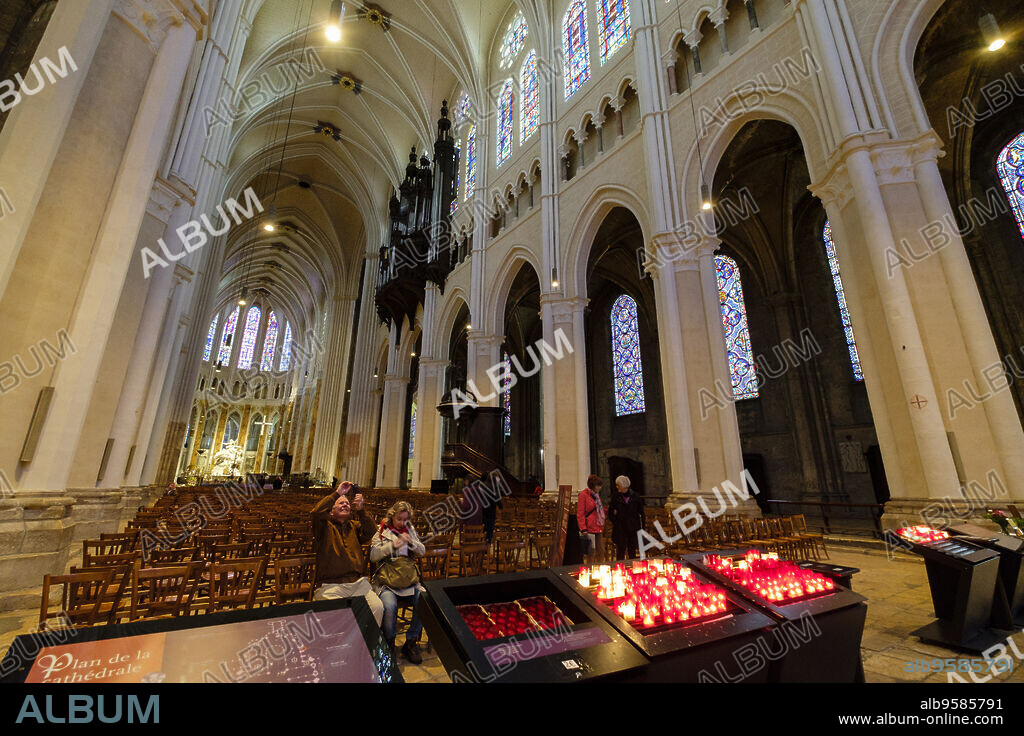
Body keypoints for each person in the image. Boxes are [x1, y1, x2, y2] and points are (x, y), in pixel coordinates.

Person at [309, 482, 384, 625]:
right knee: (338, 616)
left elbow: (371, 532)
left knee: (377, 607)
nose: (345, 505)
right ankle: (342, 646)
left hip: (358, 584)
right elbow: (316, 513)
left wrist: (361, 510)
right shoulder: (324, 527)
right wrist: (337, 493)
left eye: (348, 503)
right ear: (331, 511)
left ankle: (364, 644)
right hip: (331, 586)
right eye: (340, 503)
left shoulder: (354, 526)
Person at [370, 501, 426, 664]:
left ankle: (411, 642)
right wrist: (393, 545)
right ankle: (389, 643)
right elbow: (373, 555)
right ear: (392, 516)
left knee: (425, 601)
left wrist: (411, 542)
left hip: (408, 579)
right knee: (389, 607)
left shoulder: (410, 530)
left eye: (405, 519)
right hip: (388, 580)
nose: (402, 523)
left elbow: (422, 551)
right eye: (399, 519)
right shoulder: (382, 530)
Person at [608, 475, 645, 560]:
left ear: (623, 486)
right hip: (620, 528)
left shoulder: (635, 496)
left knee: (632, 552)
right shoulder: (616, 497)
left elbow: (641, 513)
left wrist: (642, 528)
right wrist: (616, 521)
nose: (617, 487)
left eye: (618, 485)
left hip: (633, 528)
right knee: (620, 552)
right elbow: (611, 512)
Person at [577, 475, 606, 565]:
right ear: (593, 485)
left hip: (598, 526)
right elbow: (580, 513)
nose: (600, 488)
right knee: (591, 552)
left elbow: (598, 509)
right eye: (598, 485)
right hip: (589, 527)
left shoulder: (596, 495)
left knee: (601, 551)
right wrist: (583, 528)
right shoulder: (583, 495)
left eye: (600, 485)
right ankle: (589, 570)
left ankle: (601, 568)